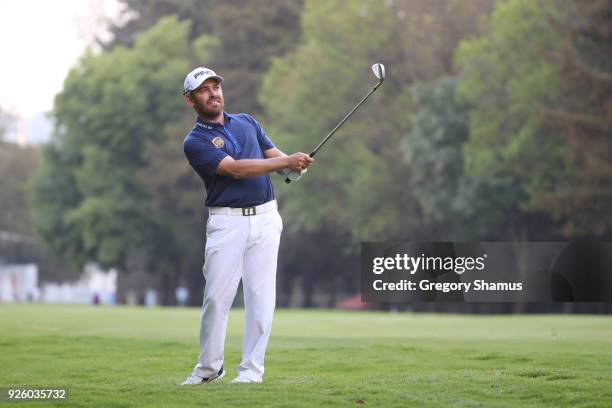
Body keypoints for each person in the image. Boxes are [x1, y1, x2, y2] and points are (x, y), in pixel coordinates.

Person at [180, 67, 313, 385]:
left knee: (261, 297)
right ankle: (210, 370)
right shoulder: (195, 141)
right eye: (204, 90)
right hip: (227, 223)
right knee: (216, 298)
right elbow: (236, 169)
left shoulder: (247, 122)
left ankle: (251, 372)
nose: (213, 93)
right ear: (191, 100)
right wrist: (285, 163)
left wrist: (295, 167)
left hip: (266, 219)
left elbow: (274, 156)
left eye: (216, 87)